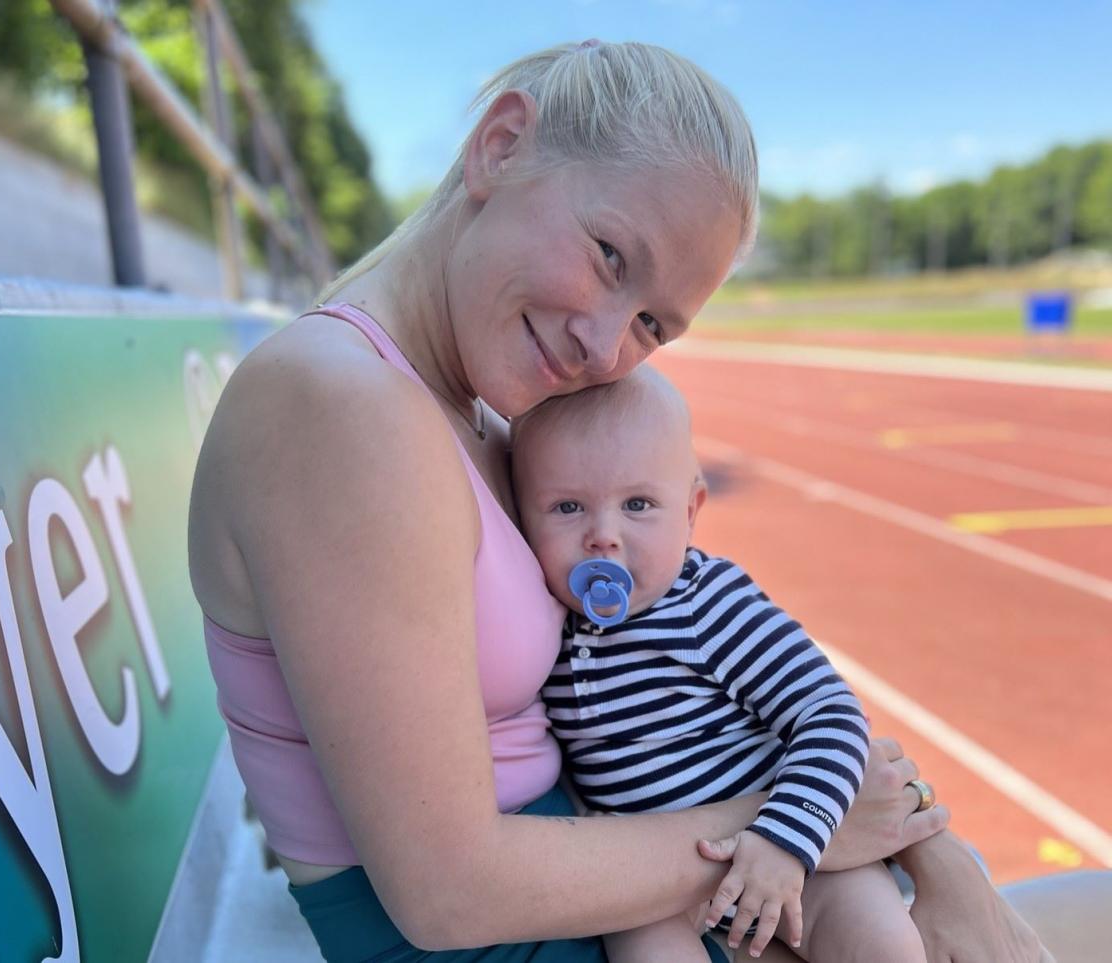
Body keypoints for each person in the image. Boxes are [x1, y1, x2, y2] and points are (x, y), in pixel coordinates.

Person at [188, 39, 1058, 961]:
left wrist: (927, 848)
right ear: (502, 145)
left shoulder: (478, 417)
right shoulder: (341, 406)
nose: (605, 348)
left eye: (653, 324)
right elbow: (447, 895)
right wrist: (790, 826)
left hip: (627, 889)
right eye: (609, 255)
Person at [512, 366, 929, 961]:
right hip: (660, 885)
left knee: (882, 946)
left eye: (638, 504)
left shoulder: (707, 605)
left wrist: (787, 841)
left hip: (801, 858)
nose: (603, 535)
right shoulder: (544, 626)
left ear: (690, 511)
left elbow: (831, 715)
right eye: (567, 507)